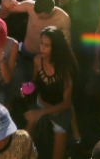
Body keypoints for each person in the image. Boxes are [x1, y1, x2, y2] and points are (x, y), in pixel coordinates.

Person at [24, 25, 76, 159]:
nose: (41, 48)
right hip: (40, 104)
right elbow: (35, 83)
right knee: (23, 141)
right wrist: (26, 89)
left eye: (47, 46)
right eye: (41, 43)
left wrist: (40, 113)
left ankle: (76, 138)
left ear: (56, 48)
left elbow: (66, 103)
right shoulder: (37, 60)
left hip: (59, 111)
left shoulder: (65, 69)